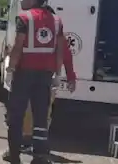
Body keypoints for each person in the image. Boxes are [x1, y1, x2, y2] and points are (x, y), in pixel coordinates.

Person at [5, 0, 76, 164]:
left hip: (24, 74)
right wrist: (60, 74)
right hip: (45, 75)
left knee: (16, 113)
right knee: (40, 117)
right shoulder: (56, 21)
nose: (22, 0)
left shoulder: (24, 18)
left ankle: (14, 154)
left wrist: (10, 69)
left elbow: (18, 46)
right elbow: (61, 49)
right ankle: (39, 156)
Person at [20, 17, 78, 152]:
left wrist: (70, 77)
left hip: (38, 77)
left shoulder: (36, 33)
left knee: (32, 111)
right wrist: (70, 78)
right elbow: (67, 57)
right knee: (43, 112)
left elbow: (67, 57)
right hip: (47, 78)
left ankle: (29, 141)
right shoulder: (56, 36)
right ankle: (36, 142)